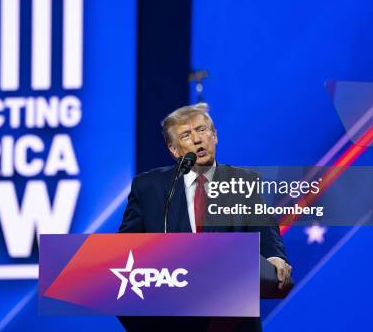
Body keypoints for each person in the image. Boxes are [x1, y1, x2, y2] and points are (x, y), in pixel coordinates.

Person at [118, 103, 291, 332]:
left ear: (215, 136)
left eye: (202, 130)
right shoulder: (148, 187)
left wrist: (274, 257)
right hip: (172, 320)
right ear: (174, 150)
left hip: (231, 320)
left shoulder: (244, 182)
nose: (197, 140)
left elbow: (267, 232)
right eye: (186, 135)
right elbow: (124, 248)